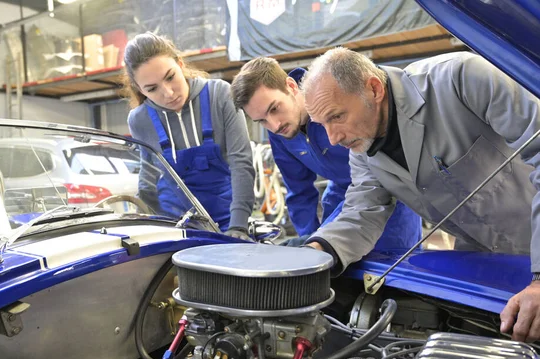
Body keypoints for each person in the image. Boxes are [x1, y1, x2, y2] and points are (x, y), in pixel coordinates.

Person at [300, 48, 540, 342]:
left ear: (373, 89)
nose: (333, 139)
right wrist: (316, 255)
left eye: (337, 116)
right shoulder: (362, 151)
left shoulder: (462, 79)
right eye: (322, 124)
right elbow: (362, 212)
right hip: (484, 265)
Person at [230, 57, 421, 248]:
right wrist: (310, 241)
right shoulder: (280, 134)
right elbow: (299, 192)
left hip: (388, 194)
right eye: (261, 121)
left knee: (391, 268)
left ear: (291, 86)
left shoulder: (331, 91)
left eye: (274, 109)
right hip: (339, 197)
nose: (274, 125)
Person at [123, 32, 255, 239]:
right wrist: (148, 227)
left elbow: (242, 161)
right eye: (152, 89)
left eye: (170, 77)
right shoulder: (139, 119)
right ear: (139, 89)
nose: (168, 93)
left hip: (226, 221)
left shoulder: (220, 95)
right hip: (173, 227)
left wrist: (239, 226)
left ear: (181, 64)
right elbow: (148, 178)